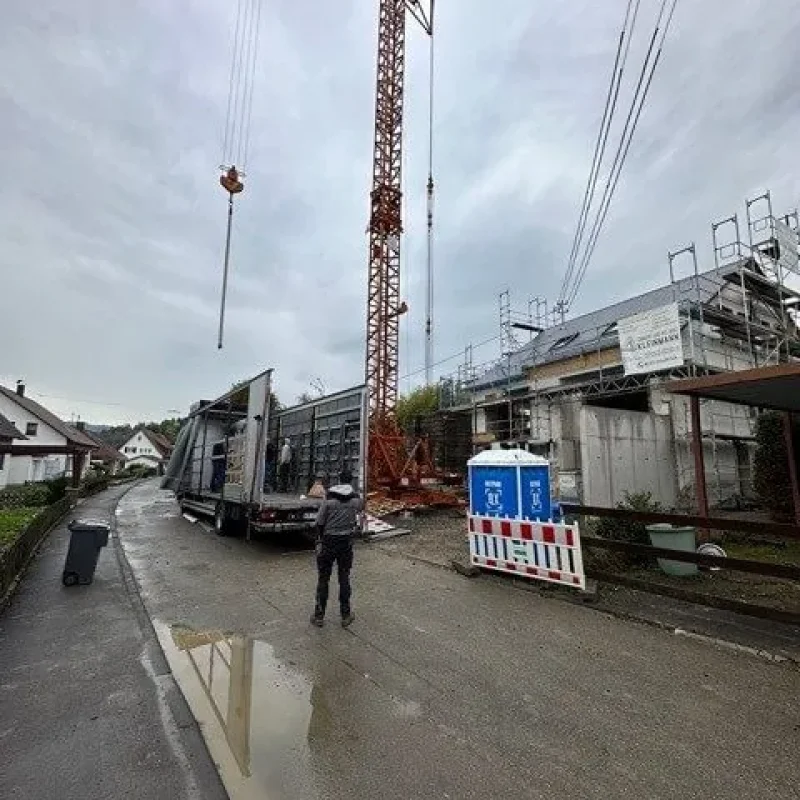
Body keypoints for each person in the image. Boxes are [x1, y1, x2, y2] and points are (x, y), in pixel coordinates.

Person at [310, 472, 363, 628]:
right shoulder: (355, 501)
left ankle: (319, 616)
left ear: (338, 481)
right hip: (346, 543)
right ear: (349, 482)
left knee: (323, 579)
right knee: (344, 578)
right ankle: (346, 615)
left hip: (328, 542)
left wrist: (319, 541)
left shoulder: (329, 501)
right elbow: (361, 508)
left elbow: (319, 523)